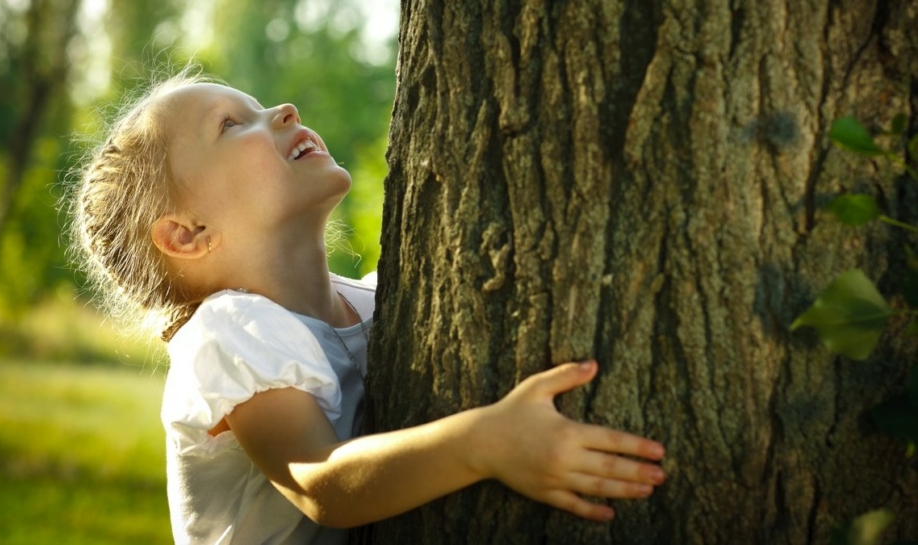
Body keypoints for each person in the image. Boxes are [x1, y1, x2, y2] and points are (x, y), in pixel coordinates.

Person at [67, 68, 667, 545]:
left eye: (259, 105)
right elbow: (322, 483)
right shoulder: (227, 336)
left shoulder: (382, 298)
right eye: (231, 124)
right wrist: (486, 443)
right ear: (188, 234)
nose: (284, 110)